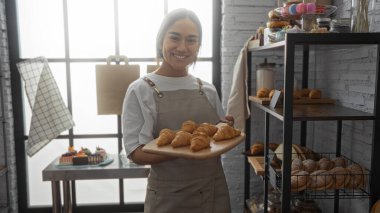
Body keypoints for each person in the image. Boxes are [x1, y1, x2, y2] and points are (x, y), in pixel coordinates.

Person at [122, 8, 233, 213]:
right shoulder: (141, 89)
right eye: (175, 38)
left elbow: (216, 136)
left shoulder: (206, 89)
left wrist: (225, 129)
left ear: (198, 46)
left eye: (191, 40)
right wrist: (186, 148)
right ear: (161, 40)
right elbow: (135, 153)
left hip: (213, 191)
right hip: (168, 197)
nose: (182, 47)